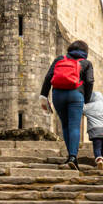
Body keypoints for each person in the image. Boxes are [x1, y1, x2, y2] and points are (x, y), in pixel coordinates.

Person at [40, 40, 94, 171]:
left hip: (58, 95)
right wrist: (86, 100)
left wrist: (43, 95)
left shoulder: (59, 59)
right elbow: (89, 81)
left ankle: (70, 156)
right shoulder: (86, 63)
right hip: (76, 94)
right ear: (85, 52)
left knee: (65, 125)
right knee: (74, 126)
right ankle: (73, 157)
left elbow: (48, 77)